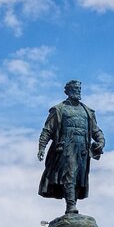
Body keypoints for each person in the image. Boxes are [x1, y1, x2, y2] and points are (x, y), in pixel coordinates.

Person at [37, 80, 105, 215]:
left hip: (83, 150)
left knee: (79, 178)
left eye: (79, 88)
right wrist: (41, 147)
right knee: (70, 175)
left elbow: (96, 131)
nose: (78, 91)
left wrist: (101, 142)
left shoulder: (88, 111)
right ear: (67, 91)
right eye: (74, 88)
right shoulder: (59, 109)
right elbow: (47, 130)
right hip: (66, 148)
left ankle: (72, 203)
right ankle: (71, 206)